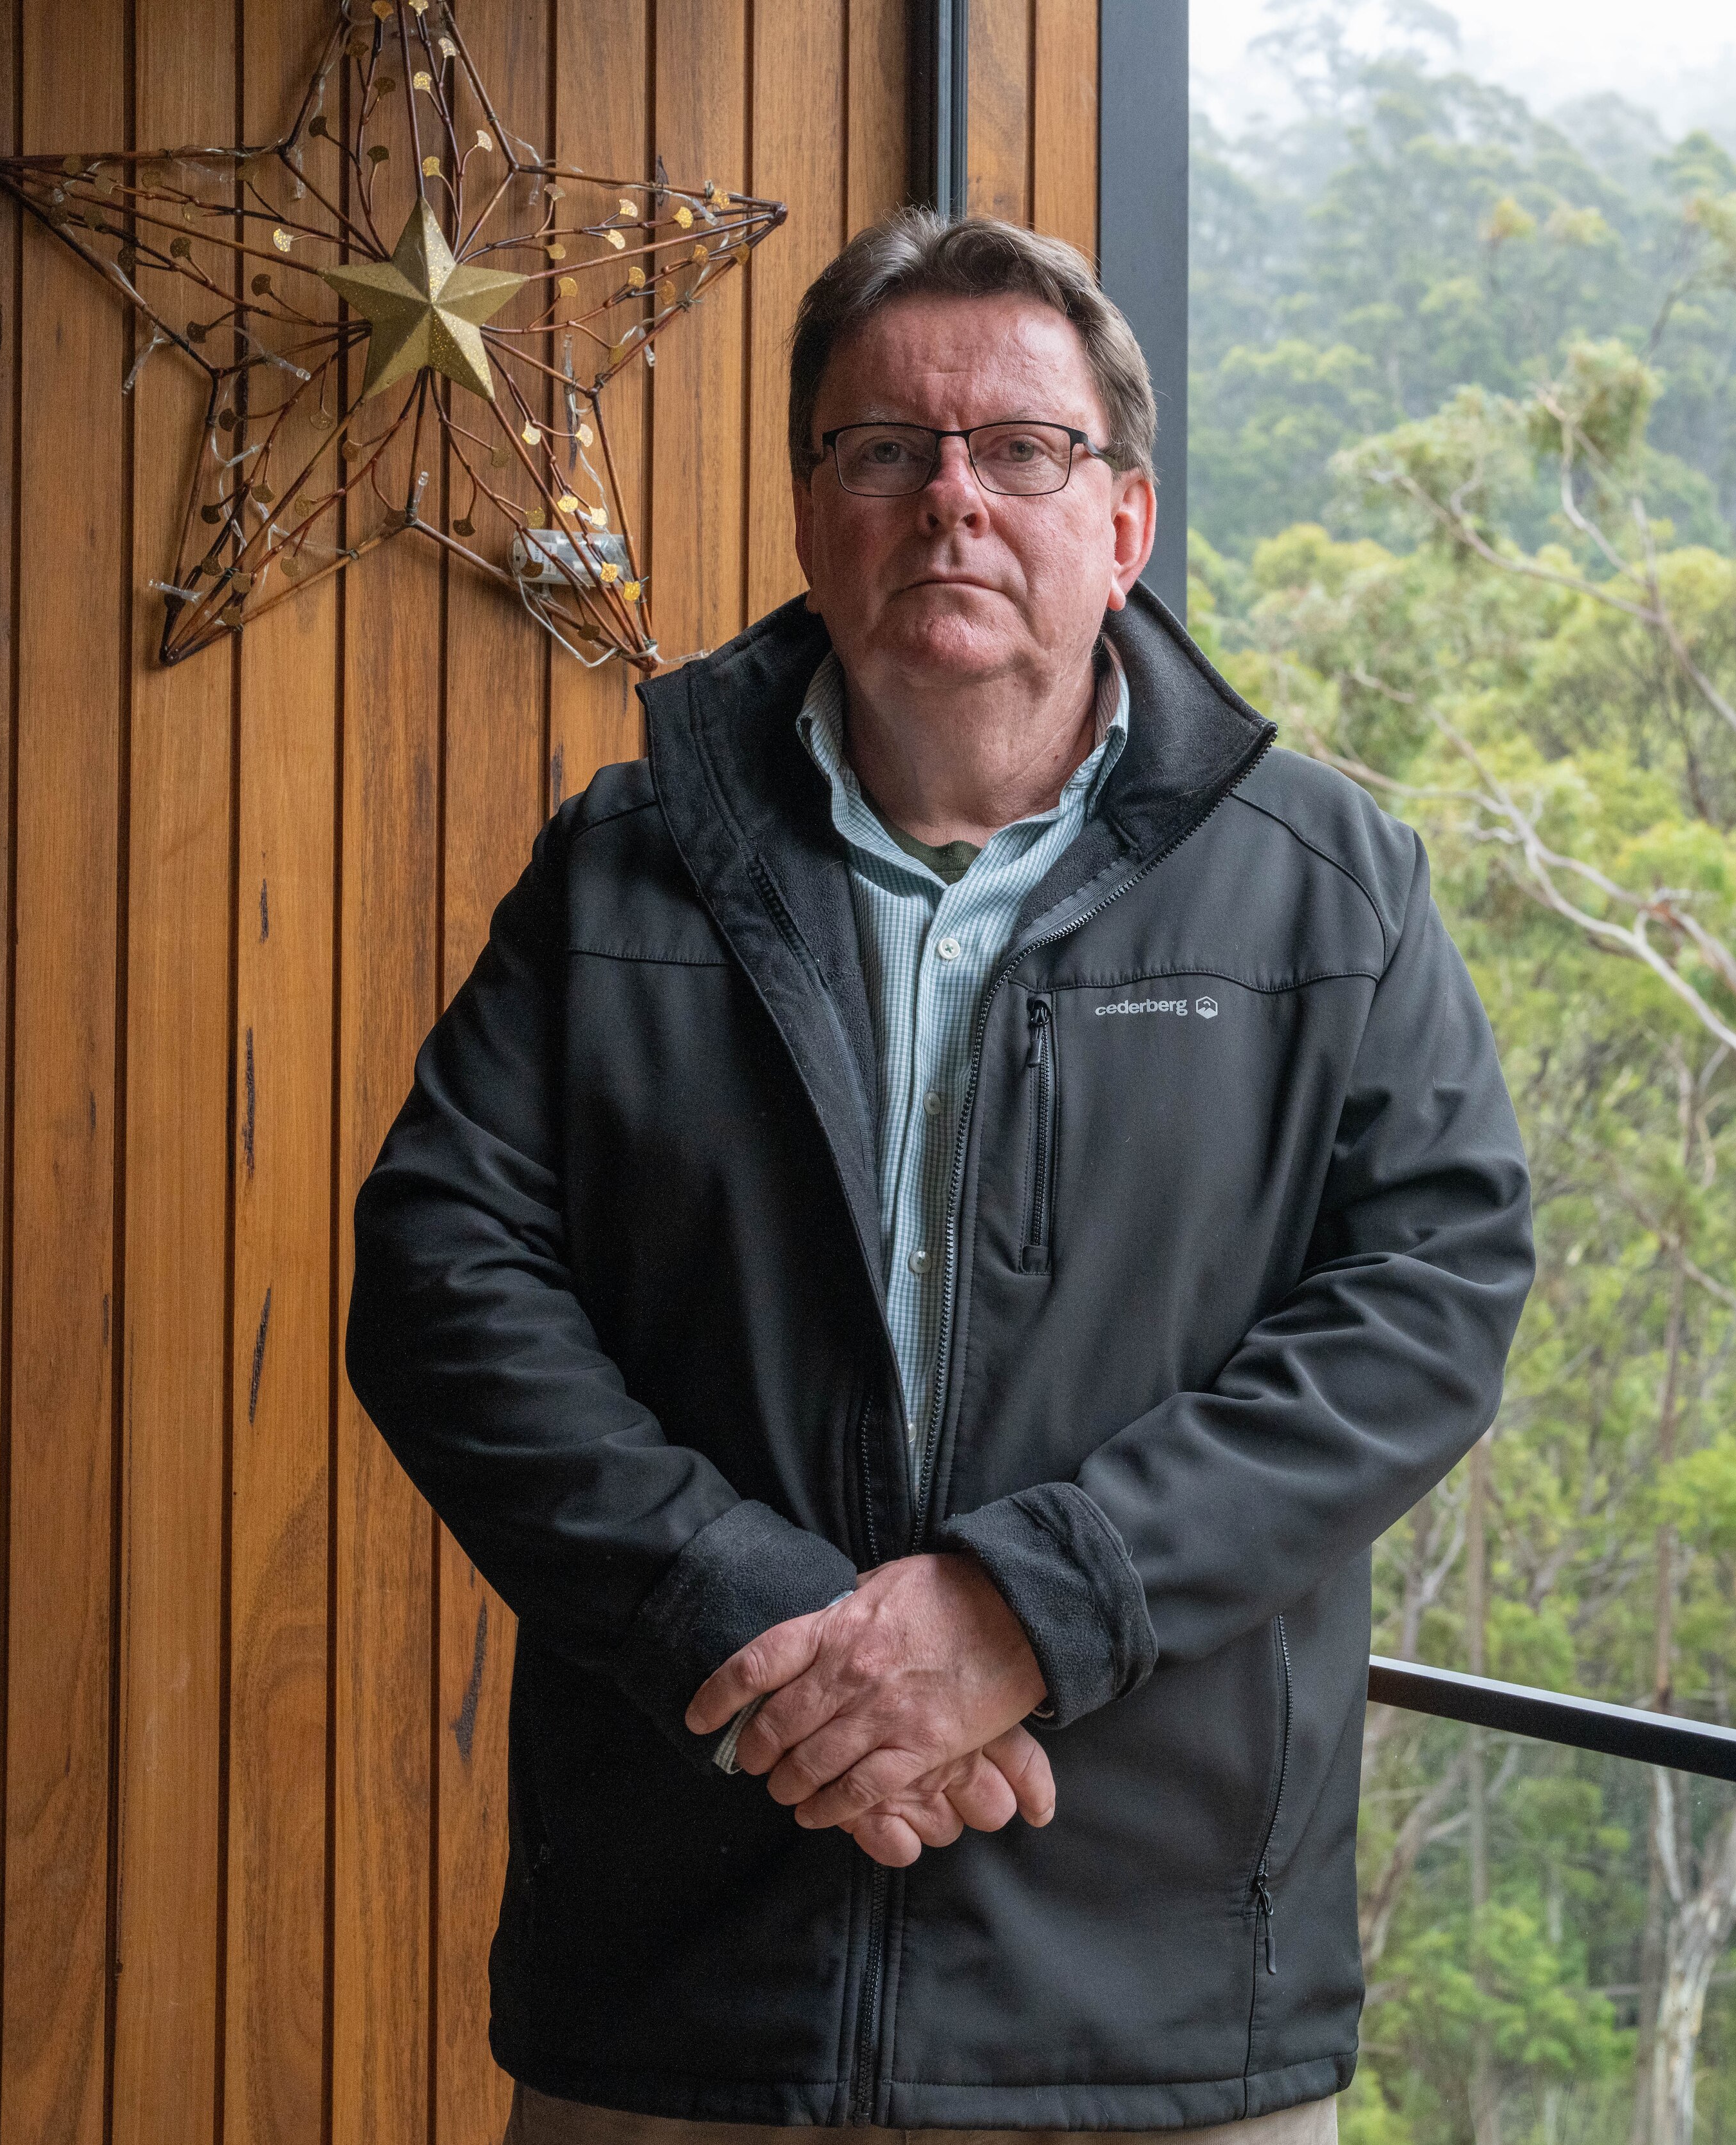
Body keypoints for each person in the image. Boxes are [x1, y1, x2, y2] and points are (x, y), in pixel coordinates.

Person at [345, 207, 1534, 2140]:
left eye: (1024, 450)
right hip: (688, 1981)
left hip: (1155, 2019)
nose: (953, 499)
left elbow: (1426, 1311)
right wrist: (737, 1613)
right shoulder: (619, 871)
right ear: (814, 513)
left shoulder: (1330, 887)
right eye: (886, 449)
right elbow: (441, 1279)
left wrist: (1018, 1612)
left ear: (1125, 522)